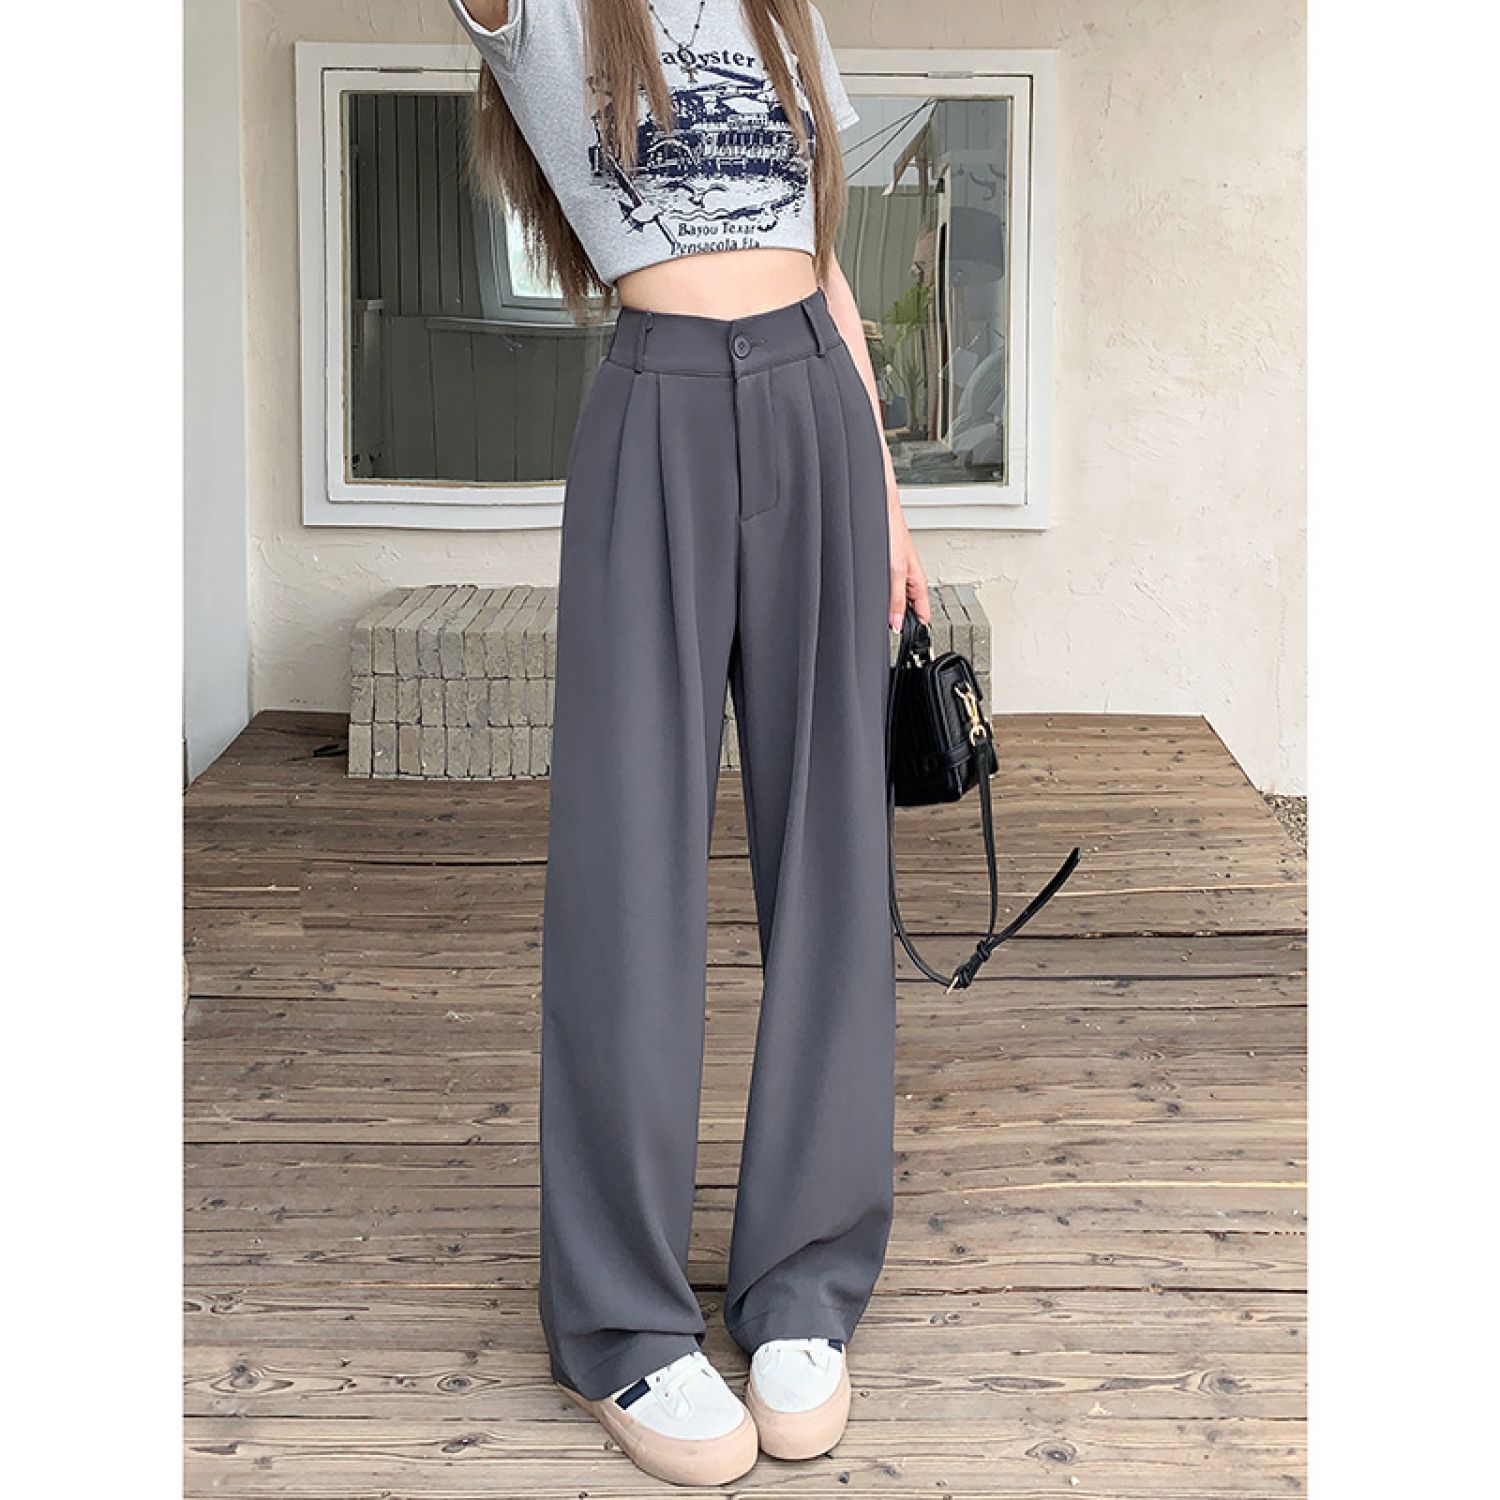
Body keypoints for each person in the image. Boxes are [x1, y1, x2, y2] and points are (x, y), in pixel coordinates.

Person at [447, 0, 931, 1484]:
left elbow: (825, 258)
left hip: (815, 405)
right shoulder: (549, 18)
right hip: (654, 406)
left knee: (833, 856)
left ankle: (804, 1281)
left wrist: (889, 495)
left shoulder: (782, 12)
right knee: (626, 868)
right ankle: (624, 1322)